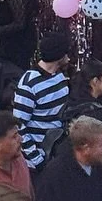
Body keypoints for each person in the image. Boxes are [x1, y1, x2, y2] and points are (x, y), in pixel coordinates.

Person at [13, 26, 73, 171]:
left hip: (57, 151)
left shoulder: (60, 76)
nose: (69, 57)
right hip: (38, 161)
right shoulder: (29, 84)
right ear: (59, 56)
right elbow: (18, 125)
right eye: (66, 53)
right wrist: (37, 160)